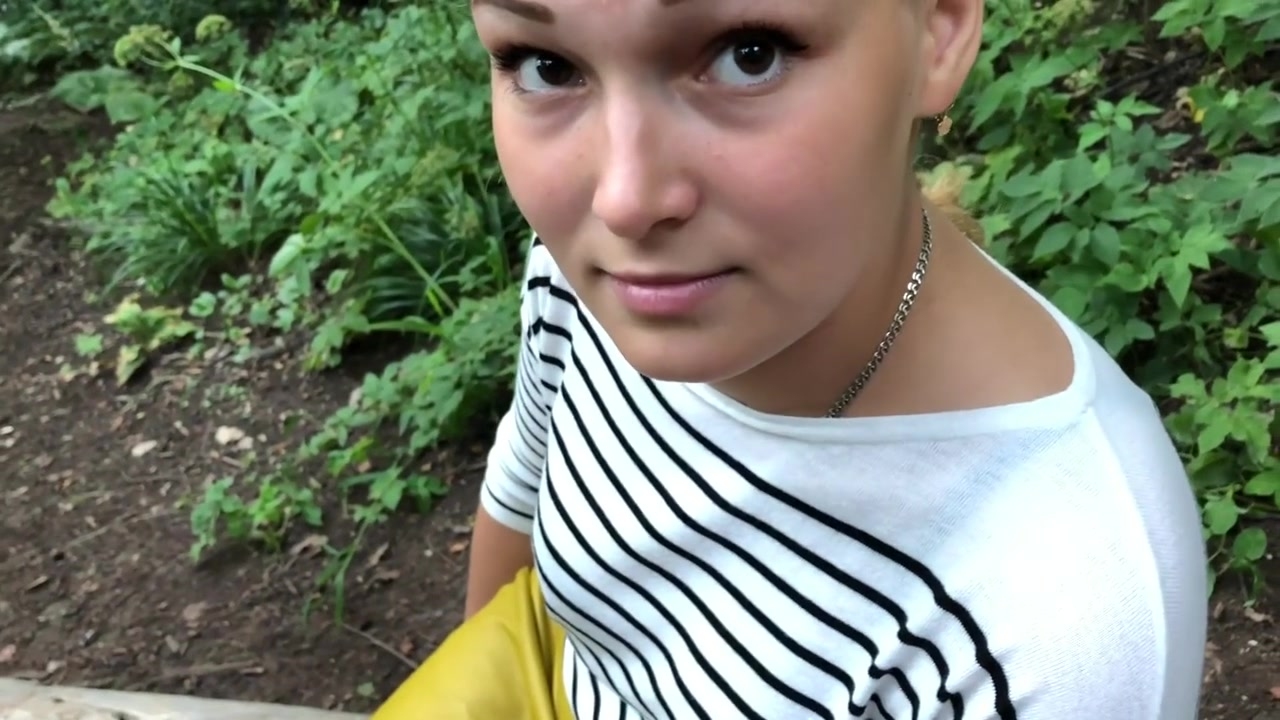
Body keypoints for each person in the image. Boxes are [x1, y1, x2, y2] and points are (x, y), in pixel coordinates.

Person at [371, 0, 1210, 718]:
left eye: (749, 54)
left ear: (940, 27)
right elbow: (520, 491)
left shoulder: (1062, 617)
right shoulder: (599, 281)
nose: (623, 201)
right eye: (546, 65)